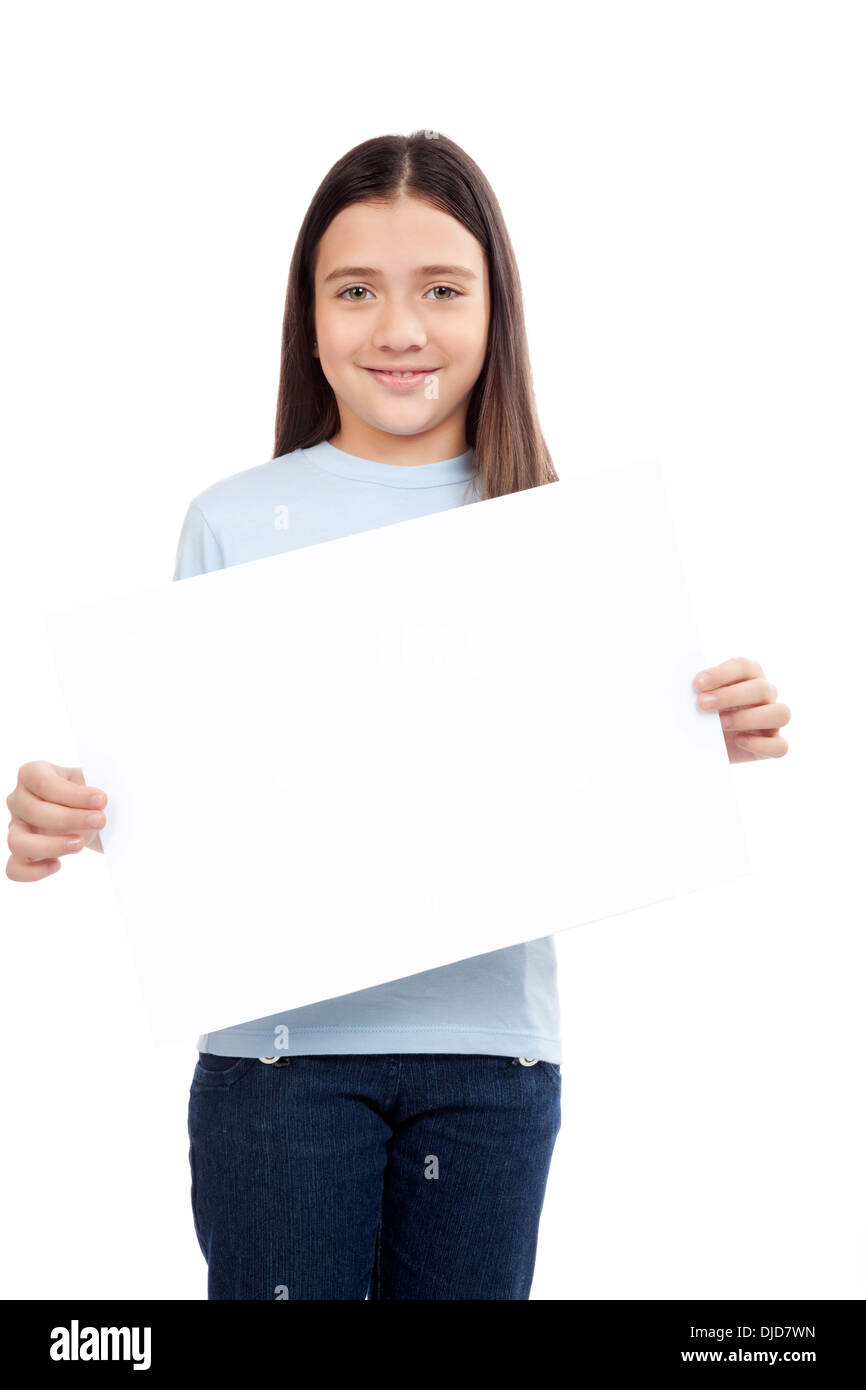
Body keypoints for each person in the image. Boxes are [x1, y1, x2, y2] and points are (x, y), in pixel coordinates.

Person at [5, 130, 791, 1300]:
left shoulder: (558, 529)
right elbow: (195, 783)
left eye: (440, 289)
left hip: (488, 1057)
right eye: (355, 289)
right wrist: (62, 813)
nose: (399, 329)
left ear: (494, 307)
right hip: (278, 1060)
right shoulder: (231, 520)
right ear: (308, 315)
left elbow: (578, 776)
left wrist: (696, 731)